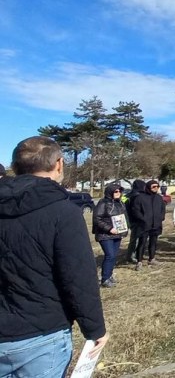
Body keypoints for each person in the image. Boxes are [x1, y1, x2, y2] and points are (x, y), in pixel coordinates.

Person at [0, 136, 108, 376]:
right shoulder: (64, 212)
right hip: (42, 335)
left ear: (15, 167)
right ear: (59, 164)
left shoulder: (62, 209)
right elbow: (79, 277)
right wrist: (95, 329)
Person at [93, 183, 129, 287]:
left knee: (114, 256)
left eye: (119, 191)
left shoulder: (120, 203)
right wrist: (109, 228)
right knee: (110, 255)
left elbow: (124, 218)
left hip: (117, 234)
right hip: (105, 235)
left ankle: (109, 275)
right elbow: (97, 219)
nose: (118, 193)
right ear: (110, 192)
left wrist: (124, 229)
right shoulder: (103, 203)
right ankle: (105, 279)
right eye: (116, 191)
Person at [129, 179, 166, 270]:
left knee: (153, 242)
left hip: (156, 224)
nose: (156, 188)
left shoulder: (159, 198)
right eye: (153, 187)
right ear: (149, 187)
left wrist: (161, 217)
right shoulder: (140, 197)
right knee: (142, 243)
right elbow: (135, 210)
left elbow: (162, 209)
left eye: (157, 187)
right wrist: (143, 219)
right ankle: (139, 261)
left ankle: (152, 258)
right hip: (144, 225)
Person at [125, 179, 147, 263]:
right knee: (137, 240)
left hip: (130, 220)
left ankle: (133, 255)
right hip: (138, 220)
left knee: (134, 239)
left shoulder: (127, 196)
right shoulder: (138, 195)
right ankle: (132, 256)